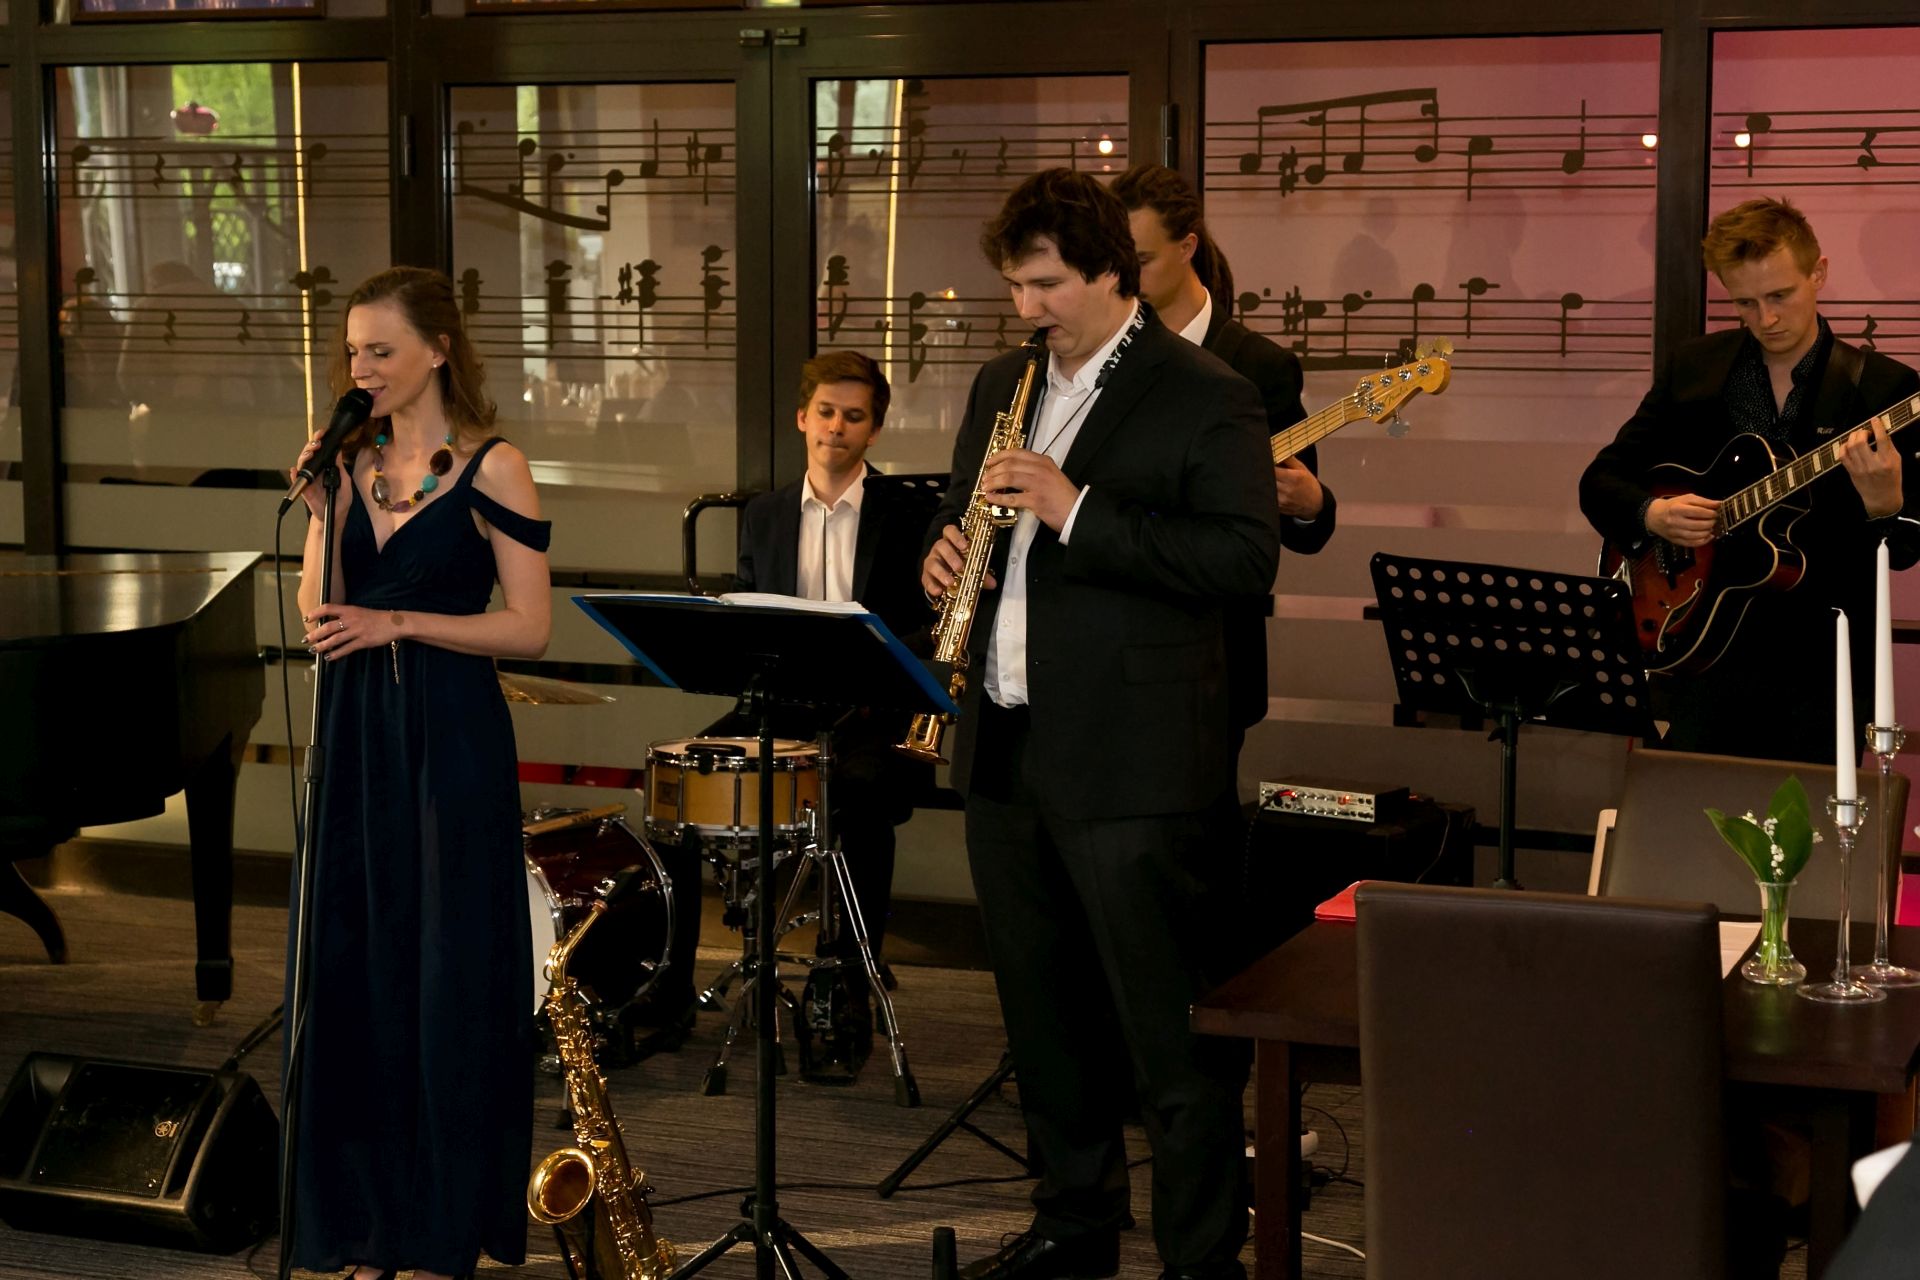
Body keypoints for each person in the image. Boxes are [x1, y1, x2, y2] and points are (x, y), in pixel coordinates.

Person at [922, 168, 1280, 1280]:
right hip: (1009, 741)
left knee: (1167, 1034)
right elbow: (965, 512)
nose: (1026, 308)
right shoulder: (1003, 382)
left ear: (1114, 273)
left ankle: (1200, 1259)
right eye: (1015, 285)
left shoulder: (1206, 391)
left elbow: (1241, 559)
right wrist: (944, 553)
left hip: (1136, 761)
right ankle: (1074, 1227)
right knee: (1045, 1019)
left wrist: (1077, 509)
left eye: (1047, 285)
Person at [286, 266, 551, 1280]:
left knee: (448, 974)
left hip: (452, 736)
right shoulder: (350, 465)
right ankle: (369, 1229)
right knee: (360, 969)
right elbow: (320, 616)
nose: (361, 368)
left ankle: (442, 1235)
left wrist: (399, 620)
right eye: (353, 350)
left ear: (438, 350)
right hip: (359, 733)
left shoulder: (495, 466)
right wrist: (323, 507)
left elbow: (528, 627)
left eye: (381, 349)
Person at [636, 350, 930, 1060]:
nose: (837, 427)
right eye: (825, 412)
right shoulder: (765, 514)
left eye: (854, 416)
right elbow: (746, 620)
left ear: (874, 430)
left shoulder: (908, 513)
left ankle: (846, 984)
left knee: (858, 796)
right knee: (676, 785)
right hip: (782, 707)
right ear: (803, 418)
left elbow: (929, 625)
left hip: (872, 714)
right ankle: (667, 991)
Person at [1580, 198, 1920, 762]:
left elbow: (1905, 548)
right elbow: (1601, 480)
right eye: (1745, 303)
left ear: (1818, 273)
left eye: (1780, 296)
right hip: (1700, 659)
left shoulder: (1885, 391)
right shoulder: (1696, 368)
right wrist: (1652, 514)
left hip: (1821, 675)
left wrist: (1887, 506)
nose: (1766, 319)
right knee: (1690, 813)